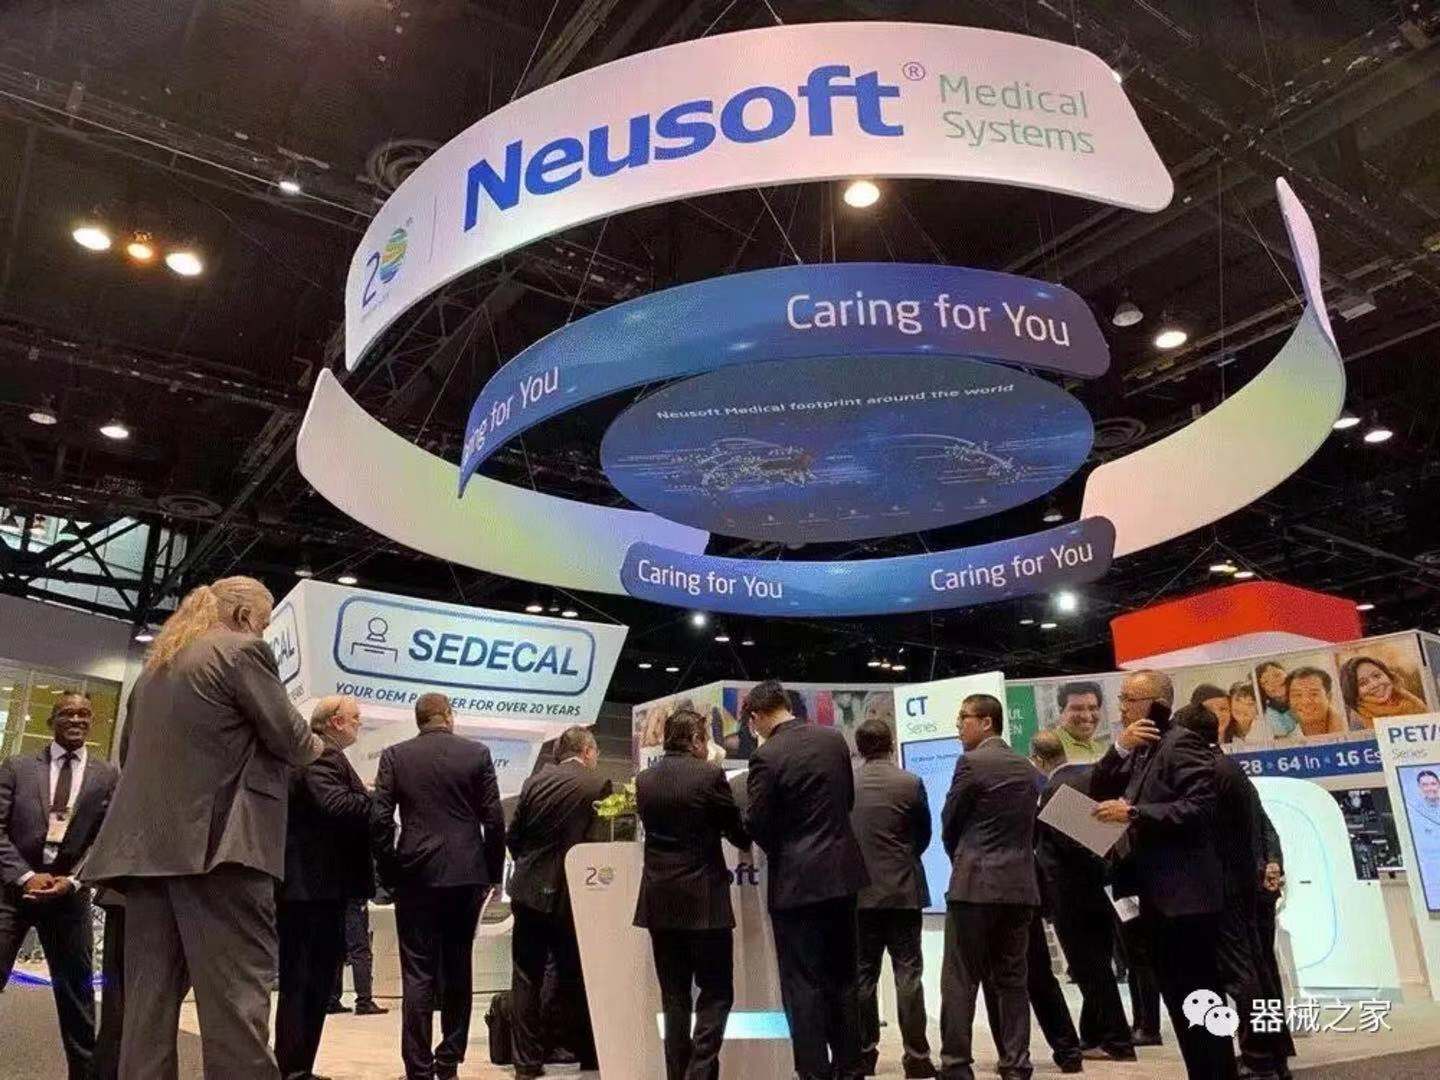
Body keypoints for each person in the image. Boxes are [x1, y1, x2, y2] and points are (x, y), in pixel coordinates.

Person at [83, 576, 323, 1079]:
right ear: (244, 616)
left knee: (146, 1015)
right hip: (220, 855)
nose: (263, 631)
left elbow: (128, 755)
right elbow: (295, 742)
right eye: (264, 621)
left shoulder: (154, 671)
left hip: (146, 859)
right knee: (235, 1007)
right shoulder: (242, 652)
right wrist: (324, 743)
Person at [1090, 671, 1235, 1080]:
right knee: (1180, 1001)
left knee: (1201, 998)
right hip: (1157, 898)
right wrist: (1120, 747)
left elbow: (1200, 808)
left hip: (1187, 899)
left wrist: (1134, 813)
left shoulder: (1180, 743)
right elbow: (1098, 787)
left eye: (1129, 699)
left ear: (1157, 704)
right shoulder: (1141, 749)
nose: (1121, 708)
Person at [372, 692, 505, 1080]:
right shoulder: (477, 754)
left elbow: (380, 821)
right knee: (458, 967)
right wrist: (492, 873)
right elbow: (494, 820)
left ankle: (418, 1069)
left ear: (419, 720)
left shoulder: (395, 756)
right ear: (447, 716)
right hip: (465, 874)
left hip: (416, 875)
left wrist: (390, 872)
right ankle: (448, 1060)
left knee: (418, 973)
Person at [745, 679, 869, 1080]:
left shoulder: (766, 756)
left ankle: (814, 1072)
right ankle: (850, 1068)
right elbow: (847, 801)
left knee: (803, 984)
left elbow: (757, 823)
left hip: (797, 884)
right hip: (842, 876)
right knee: (844, 978)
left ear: (757, 717)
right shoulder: (833, 740)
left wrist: (785, 847)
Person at [0, 690, 119, 1079]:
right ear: (52, 720)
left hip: (69, 898)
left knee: (78, 998)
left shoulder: (106, 775)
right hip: (12, 894)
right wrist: (25, 875)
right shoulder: (18, 767)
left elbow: (105, 838)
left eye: (85, 714)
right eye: (68, 713)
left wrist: (73, 880)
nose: (77, 720)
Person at [1173, 704, 1294, 1080]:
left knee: (1245, 977)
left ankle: (1260, 1057)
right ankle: (1274, 1055)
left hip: (1231, 890)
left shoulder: (1212, 772)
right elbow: (1263, 824)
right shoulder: (1228, 768)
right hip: (1248, 886)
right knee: (1260, 974)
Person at [634, 709, 751, 1080]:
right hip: (704, 902)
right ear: (698, 740)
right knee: (717, 991)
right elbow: (735, 830)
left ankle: (679, 1074)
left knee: (674, 998)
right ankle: (699, 1072)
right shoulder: (709, 776)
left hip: (659, 902)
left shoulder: (644, 780)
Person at [937, 693, 1040, 1080]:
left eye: (964, 717)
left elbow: (950, 821)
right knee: (1013, 980)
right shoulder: (1027, 767)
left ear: (986, 723)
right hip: (1019, 888)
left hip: (974, 886)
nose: (958, 725)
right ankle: (1016, 1063)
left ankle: (956, 1065)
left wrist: (963, 858)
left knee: (961, 978)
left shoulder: (971, 763)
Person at [275, 695, 375, 1080]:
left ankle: (297, 1067)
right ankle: (293, 1069)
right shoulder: (322, 754)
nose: (359, 722)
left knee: (309, 983)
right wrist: (374, 799)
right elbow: (336, 805)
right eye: (355, 717)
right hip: (314, 890)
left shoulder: (318, 754)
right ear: (335, 721)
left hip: (312, 889)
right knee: (307, 983)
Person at [507, 725, 612, 1079]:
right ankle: (588, 1055)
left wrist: (531, 867)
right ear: (587, 751)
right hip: (574, 894)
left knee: (526, 976)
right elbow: (600, 845)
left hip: (528, 891)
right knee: (578, 973)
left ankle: (526, 1063)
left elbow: (514, 837)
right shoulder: (597, 784)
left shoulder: (533, 782)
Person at [1029, 732, 1134, 1065]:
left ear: (1037, 760)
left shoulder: (1053, 790)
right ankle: (1093, 1035)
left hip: (1071, 894)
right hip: (1102, 890)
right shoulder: (1090, 777)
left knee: (1091, 970)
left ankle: (1118, 1040)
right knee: (1097, 964)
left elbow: (1073, 846)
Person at [985, 730, 1082, 1075]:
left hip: (989, 889)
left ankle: (1010, 1055)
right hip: (1028, 887)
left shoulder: (976, 790)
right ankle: (1068, 1050)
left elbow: (952, 833)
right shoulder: (1038, 785)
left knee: (997, 979)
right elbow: (1090, 836)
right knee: (1039, 974)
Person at [850, 717, 938, 1079]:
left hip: (859, 894)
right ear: (890, 744)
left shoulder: (847, 784)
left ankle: (864, 1055)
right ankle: (917, 1057)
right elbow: (923, 834)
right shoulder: (910, 782)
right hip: (903, 891)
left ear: (859, 748)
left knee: (862, 976)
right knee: (909, 975)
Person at [327, 898, 386, 1016]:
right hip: (353, 899)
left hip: (331, 900)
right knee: (360, 950)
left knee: (335, 949)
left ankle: (331, 1000)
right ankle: (364, 1001)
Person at [1339, 656, 1427, 730]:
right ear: (1353, 692)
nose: (1375, 684)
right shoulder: (1357, 721)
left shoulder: (1411, 701)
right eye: (1363, 683)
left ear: (1388, 675)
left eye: (1377, 676)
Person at [1053, 681, 1108, 763]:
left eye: (1092, 708)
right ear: (1061, 712)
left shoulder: (1102, 749)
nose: (1086, 716)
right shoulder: (1050, 748)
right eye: (1077, 709)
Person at [1285, 667, 1342, 737]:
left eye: (1313, 694)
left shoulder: (1346, 727)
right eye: (1297, 695)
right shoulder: (1287, 739)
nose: (1305, 702)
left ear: (1329, 697)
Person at [1255, 662, 1296, 738]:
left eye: (1277, 675)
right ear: (1263, 690)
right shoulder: (1270, 715)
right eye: (1266, 682)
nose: (1274, 682)